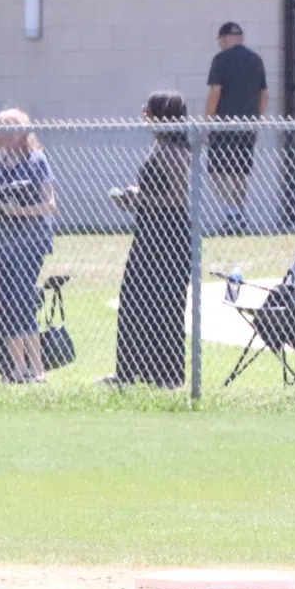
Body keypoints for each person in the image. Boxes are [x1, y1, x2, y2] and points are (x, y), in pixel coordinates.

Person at [104, 92, 192, 389]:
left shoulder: (176, 151)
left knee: (166, 305)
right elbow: (155, 190)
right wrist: (136, 196)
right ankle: (128, 372)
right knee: (133, 301)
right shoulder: (160, 146)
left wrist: (141, 197)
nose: (145, 117)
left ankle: (168, 376)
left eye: (149, 112)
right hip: (148, 233)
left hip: (169, 237)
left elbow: (179, 196)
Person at [0, 108, 57, 384]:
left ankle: (38, 369)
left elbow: (50, 204)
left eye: (13, 126)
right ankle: (17, 369)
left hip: (29, 243)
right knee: (7, 304)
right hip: (2, 244)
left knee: (23, 302)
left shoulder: (37, 161)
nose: (7, 132)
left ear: (24, 131)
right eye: (2, 127)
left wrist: (17, 212)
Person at [204, 22, 268, 225]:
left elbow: (215, 92)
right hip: (248, 125)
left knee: (216, 170)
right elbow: (264, 95)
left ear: (223, 39)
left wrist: (208, 122)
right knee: (240, 171)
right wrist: (257, 120)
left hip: (223, 124)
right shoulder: (256, 60)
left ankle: (232, 211)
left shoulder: (221, 59)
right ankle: (238, 212)